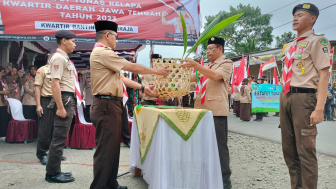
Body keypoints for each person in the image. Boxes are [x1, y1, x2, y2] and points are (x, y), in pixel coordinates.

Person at [89, 20, 168, 189]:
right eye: (116, 37)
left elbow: (121, 78)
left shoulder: (104, 54)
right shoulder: (103, 53)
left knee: (112, 148)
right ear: (108, 35)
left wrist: (143, 87)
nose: (117, 40)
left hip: (111, 105)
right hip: (106, 105)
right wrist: (156, 71)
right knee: (105, 150)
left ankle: (110, 183)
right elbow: (132, 67)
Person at [280, 4, 331, 189]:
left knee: (306, 152)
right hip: (285, 96)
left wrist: (319, 108)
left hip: (304, 98)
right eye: (294, 15)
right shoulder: (290, 45)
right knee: (289, 151)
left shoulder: (318, 41)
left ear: (312, 19)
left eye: (300, 15)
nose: (295, 18)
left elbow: (324, 75)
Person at [181, 36, 233, 189]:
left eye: (211, 49)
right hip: (201, 109)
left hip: (216, 111)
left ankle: (225, 179)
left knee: (219, 145)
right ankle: (206, 173)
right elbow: (192, 78)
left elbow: (215, 76)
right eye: (207, 49)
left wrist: (196, 65)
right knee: (203, 144)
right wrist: (178, 72)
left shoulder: (226, 63)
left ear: (220, 49)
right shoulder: (207, 66)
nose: (208, 51)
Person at [45, 30, 77, 183]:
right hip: (64, 99)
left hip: (66, 97)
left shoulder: (63, 58)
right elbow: (55, 84)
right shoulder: (58, 58)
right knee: (58, 138)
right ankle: (52, 174)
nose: (74, 44)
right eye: (72, 41)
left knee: (60, 138)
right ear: (64, 40)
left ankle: (55, 170)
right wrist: (60, 107)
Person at [35, 54, 66, 166]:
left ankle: (54, 153)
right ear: (49, 58)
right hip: (46, 101)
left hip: (59, 101)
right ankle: (42, 154)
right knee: (45, 129)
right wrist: (38, 105)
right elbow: (37, 87)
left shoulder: (62, 69)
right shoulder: (42, 70)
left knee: (57, 129)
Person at [0, 66, 11, 141]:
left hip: (4, 101)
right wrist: (2, 92)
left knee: (4, 118)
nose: (4, 72)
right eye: (2, 71)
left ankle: (3, 134)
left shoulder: (3, 80)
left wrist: (7, 91)